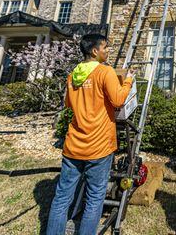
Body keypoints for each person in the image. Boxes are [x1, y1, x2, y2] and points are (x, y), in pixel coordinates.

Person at [46, 34, 135, 235]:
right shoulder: (105, 72)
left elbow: (69, 104)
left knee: (61, 198)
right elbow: (119, 100)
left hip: (73, 145)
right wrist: (128, 80)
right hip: (98, 146)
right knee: (94, 198)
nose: (108, 51)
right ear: (95, 51)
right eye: (106, 47)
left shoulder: (73, 75)